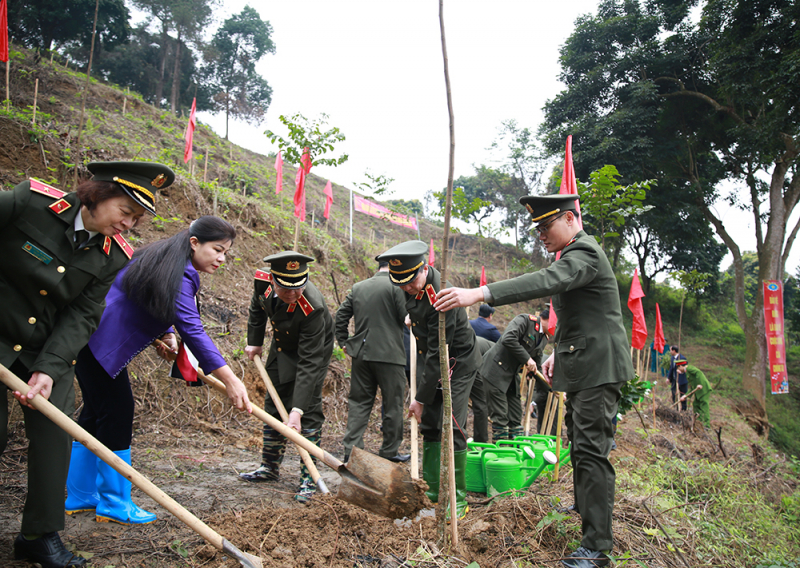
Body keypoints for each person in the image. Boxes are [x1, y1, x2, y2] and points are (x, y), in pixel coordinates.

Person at [434, 194, 633, 568]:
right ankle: (584, 508)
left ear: (571, 219)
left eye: (546, 225)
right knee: (580, 443)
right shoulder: (573, 255)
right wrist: (558, 350)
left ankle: (597, 547)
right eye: (537, 228)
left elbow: (546, 280)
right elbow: (583, 315)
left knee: (592, 450)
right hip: (585, 366)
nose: (541, 234)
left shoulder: (584, 253)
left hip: (598, 369)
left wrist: (480, 292)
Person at [0, 161, 174, 568]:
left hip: (46, 348)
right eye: (126, 212)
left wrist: (50, 367)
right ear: (98, 193)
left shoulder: (114, 255)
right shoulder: (30, 202)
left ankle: (39, 534)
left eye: (137, 219)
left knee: (55, 434)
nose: (129, 224)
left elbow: (82, 314)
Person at [66, 216, 252, 526]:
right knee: (117, 412)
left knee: (96, 413)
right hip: (100, 344)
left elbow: (152, 297)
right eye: (217, 250)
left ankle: (81, 494)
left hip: (88, 339)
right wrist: (230, 379)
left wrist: (166, 334)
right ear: (195, 243)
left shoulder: (162, 257)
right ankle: (114, 503)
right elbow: (193, 329)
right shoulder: (180, 274)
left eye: (226, 253)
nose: (222, 259)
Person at [377, 240, 479, 520]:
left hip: (456, 362)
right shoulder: (413, 287)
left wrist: (419, 398)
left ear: (424, 268)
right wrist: (415, 320)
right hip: (432, 361)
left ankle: (456, 498)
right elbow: (422, 326)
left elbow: (438, 352)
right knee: (431, 424)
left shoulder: (441, 296)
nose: (407, 288)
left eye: (411, 282)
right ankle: (433, 490)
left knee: (451, 425)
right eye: (401, 283)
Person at [240, 252, 334, 503]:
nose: (293, 294)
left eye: (298, 288)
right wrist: (255, 342)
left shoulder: (313, 307)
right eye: (286, 289)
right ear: (272, 280)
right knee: (273, 402)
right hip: (282, 345)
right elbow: (257, 308)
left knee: (308, 409)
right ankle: (269, 467)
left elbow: (309, 363)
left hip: (313, 350)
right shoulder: (262, 281)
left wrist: (297, 410)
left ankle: (309, 478)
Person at [335, 260, 408, 463]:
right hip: (391, 356)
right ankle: (389, 451)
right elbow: (407, 317)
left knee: (359, 403)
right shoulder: (398, 287)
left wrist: (344, 342)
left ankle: (351, 451)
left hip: (362, 354)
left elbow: (340, 316)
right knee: (393, 404)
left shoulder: (359, 287)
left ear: (379, 267)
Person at [481, 309, 550, 442]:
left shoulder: (543, 338)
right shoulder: (525, 321)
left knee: (515, 415)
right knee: (500, 416)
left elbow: (537, 368)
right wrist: (527, 359)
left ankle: (515, 448)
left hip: (511, 377)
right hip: (495, 371)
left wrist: (552, 388)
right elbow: (508, 338)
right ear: (548, 319)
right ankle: (501, 450)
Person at [676, 360, 710, 425]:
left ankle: (706, 425)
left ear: (681, 366)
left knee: (704, 406)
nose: (678, 370)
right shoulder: (687, 372)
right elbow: (692, 386)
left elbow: (698, 372)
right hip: (698, 391)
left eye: (678, 367)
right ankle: (698, 422)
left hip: (704, 390)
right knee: (695, 404)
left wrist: (699, 383)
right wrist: (685, 396)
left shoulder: (689, 368)